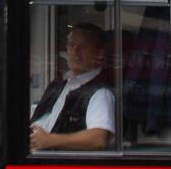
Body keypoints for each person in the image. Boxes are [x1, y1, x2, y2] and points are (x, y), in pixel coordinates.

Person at [29, 23, 116, 152]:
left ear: (99, 53)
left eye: (83, 47)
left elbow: (98, 139)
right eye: (71, 45)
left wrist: (49, 140)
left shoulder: (100, 93)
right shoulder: (57, 85)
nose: (75, 51)